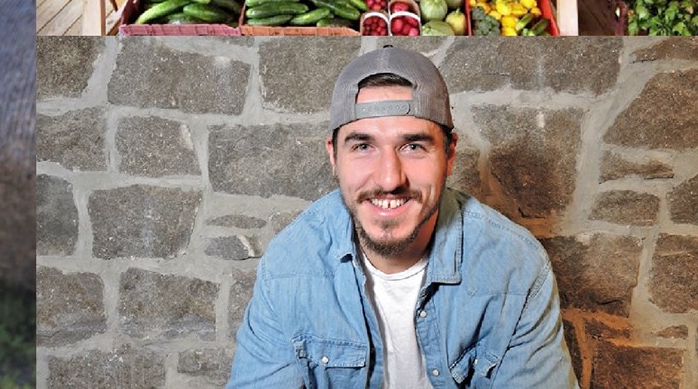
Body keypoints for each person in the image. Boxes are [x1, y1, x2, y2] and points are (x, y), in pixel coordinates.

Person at [227, 46, 576, 388]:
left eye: (413, 146)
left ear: (450, 155)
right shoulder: (288, 266)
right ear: (334, 156)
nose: (389, 179)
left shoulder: (516, 268)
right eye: (363, 146)